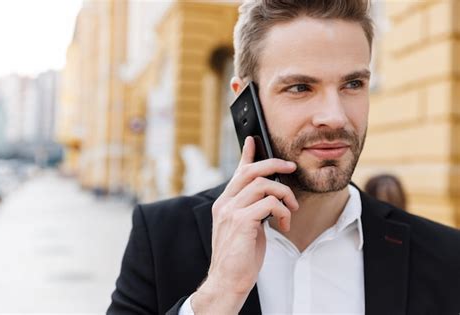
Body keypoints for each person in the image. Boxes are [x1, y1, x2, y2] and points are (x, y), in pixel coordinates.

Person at [108, 1, 460, 314]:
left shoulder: (445, 255)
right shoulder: (160, 237)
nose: (335, 116)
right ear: (245, 100)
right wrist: (216, 298)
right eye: (300, 88)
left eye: (352, 84)